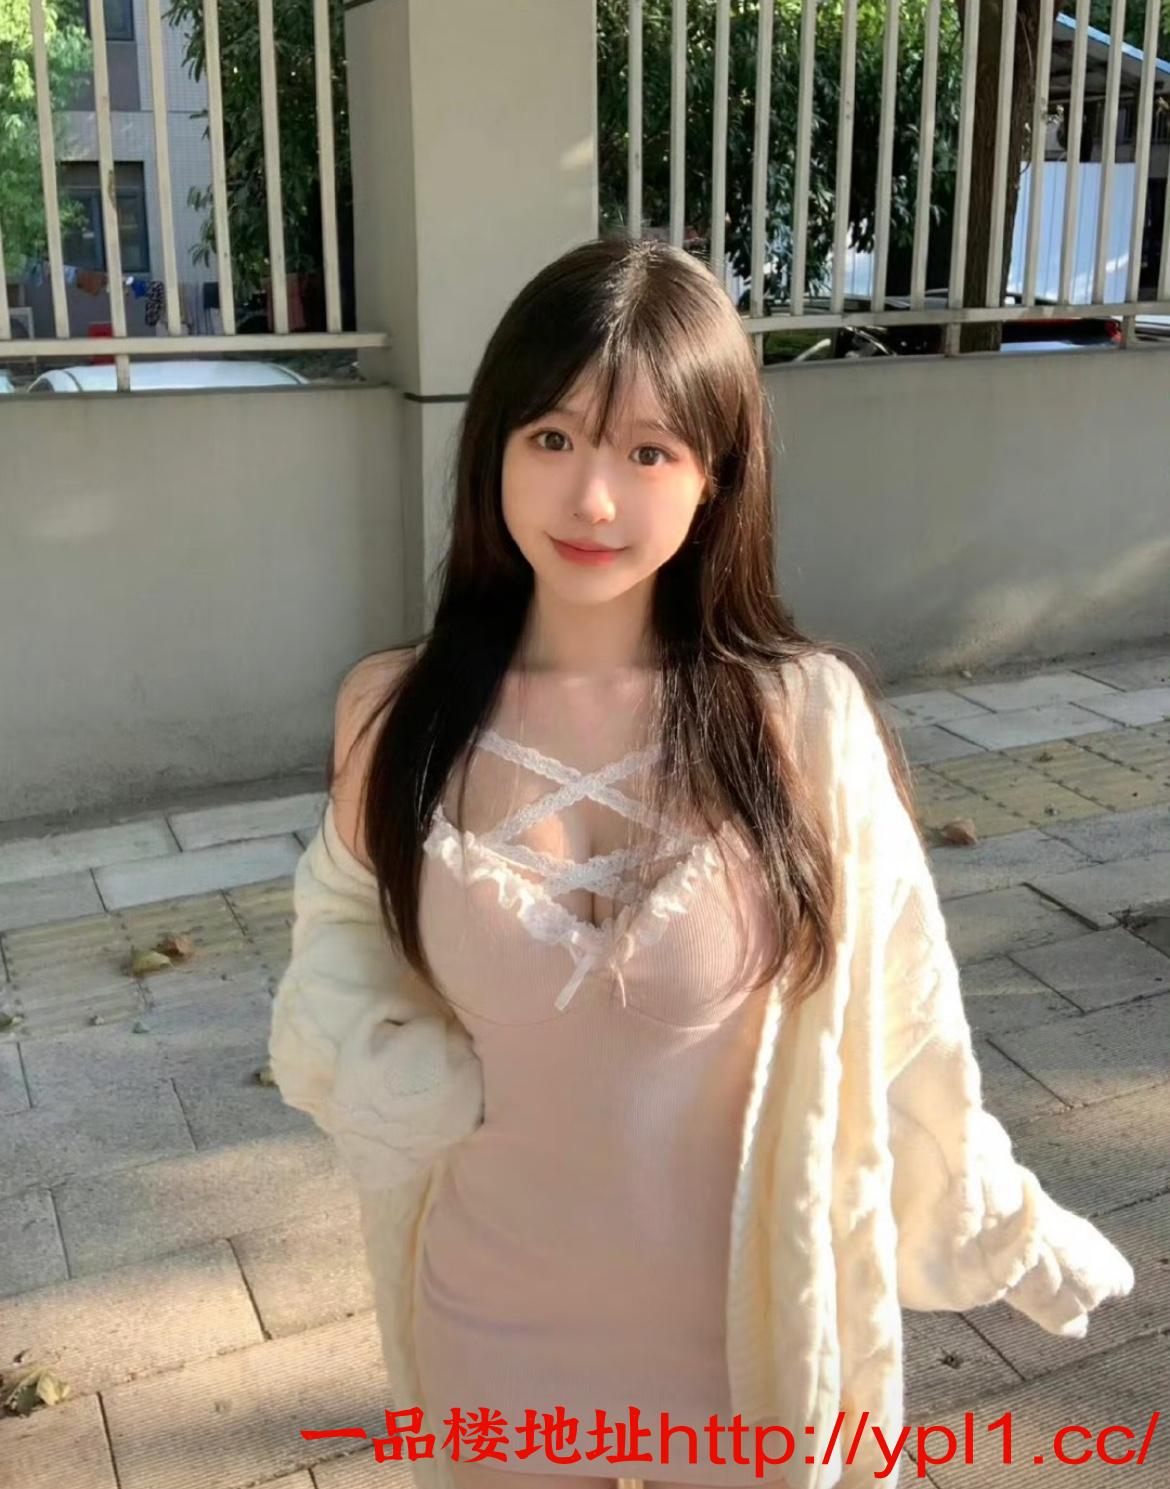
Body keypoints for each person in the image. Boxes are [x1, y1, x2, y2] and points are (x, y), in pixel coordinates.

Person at [267, 235, 1135, 1489]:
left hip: (745, 1355)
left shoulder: (803, 720)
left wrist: (999, 1220)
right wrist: (381, 1063)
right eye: (553, 438)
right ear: (494, 449)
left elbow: (904, 1019)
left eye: (648, 451)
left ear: (716, 475)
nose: (592, 499)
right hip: (490, 1336)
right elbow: (341, 928)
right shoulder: (396, 713)